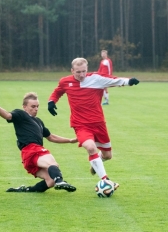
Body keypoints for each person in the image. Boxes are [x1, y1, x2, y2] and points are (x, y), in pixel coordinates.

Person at [47, 57, 139, 190]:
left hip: (98, 123)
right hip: (80, 125)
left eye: (84, 71)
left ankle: (96, 162)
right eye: (78, 72)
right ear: (72, 71)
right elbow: (58, 91)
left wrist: (129, 81)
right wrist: (51, 102)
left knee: (107, 155)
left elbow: (113, 80)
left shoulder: (96, 78)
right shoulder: (65, 81)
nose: (81, 74)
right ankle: (106, 180)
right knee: (91, 148)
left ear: (87, 69)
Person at [0, 92, 77, 193]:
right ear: (25, 107)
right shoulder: (20, 114)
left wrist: (70, 140)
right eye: (33, 106)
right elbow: (8, 115)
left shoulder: (38, 121)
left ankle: (26, 189)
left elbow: (51, 137)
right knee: (52, 164)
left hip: (30, 156)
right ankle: (60, 181)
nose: (36, 109)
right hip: (31, 149)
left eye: (37, 106)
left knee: (50, 180)